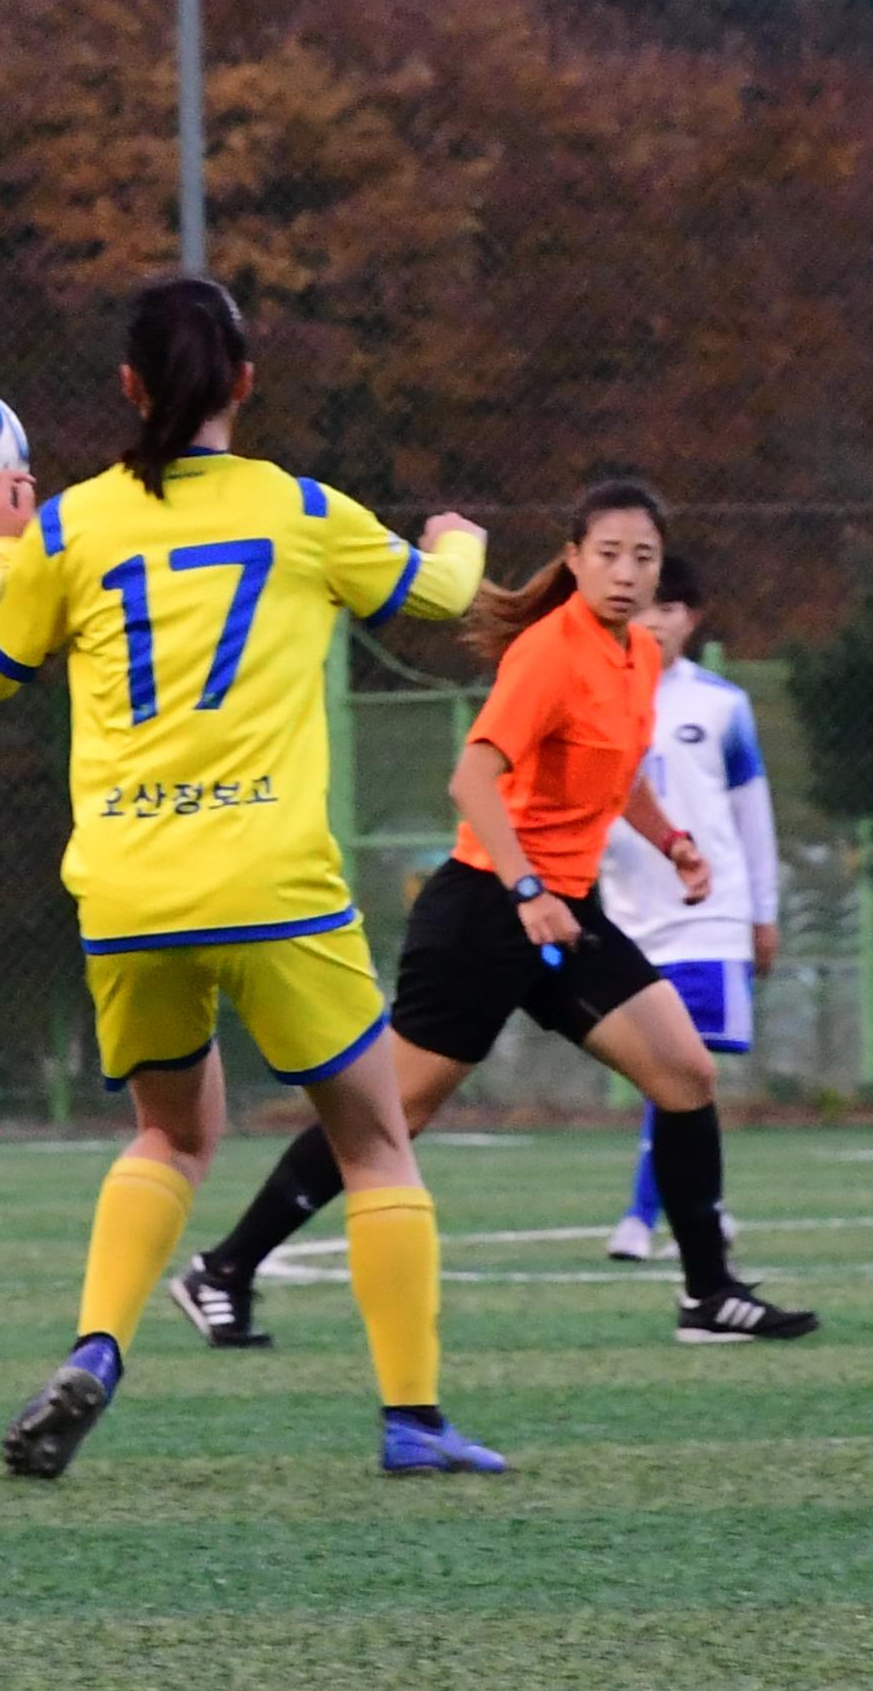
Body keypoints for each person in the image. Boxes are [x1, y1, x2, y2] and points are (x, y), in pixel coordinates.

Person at [0, 273, 505, 1477]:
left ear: (129, 387)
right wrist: (457, 540)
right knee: (374, 1142)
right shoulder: (299, 508)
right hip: (273, 880)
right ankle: (412, 1422)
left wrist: (1, 548)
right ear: (246, 384)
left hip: (128, 887)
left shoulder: (68, 525)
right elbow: (444, 598)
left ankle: (98, 1345)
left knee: (168, 1133)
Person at [174, 482, 818, 1349]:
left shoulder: (632, 656)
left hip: (564, 914)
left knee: (684, 1073)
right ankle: (224, 1269)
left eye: (645, 557)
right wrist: (528, 891)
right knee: (388, 1118)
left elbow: (618, 772)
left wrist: (672, 844)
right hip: (485, 913)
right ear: (574, 557)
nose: (627, 573)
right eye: (609, 554)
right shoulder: (549, 653)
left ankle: (708, 1295)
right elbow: (472, 781)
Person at [601, 554, 779, 1263]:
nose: (656, 621)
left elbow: (751, 816)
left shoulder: (721, 705)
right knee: (666, 1072)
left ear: (691, 619)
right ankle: (700, 1205)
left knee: (686, 1065)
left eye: (671, 608)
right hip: (626, 916)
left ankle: (641, 1218)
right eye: (646, 607)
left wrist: (762, 912)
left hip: (708, 913)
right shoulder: (599, 696)